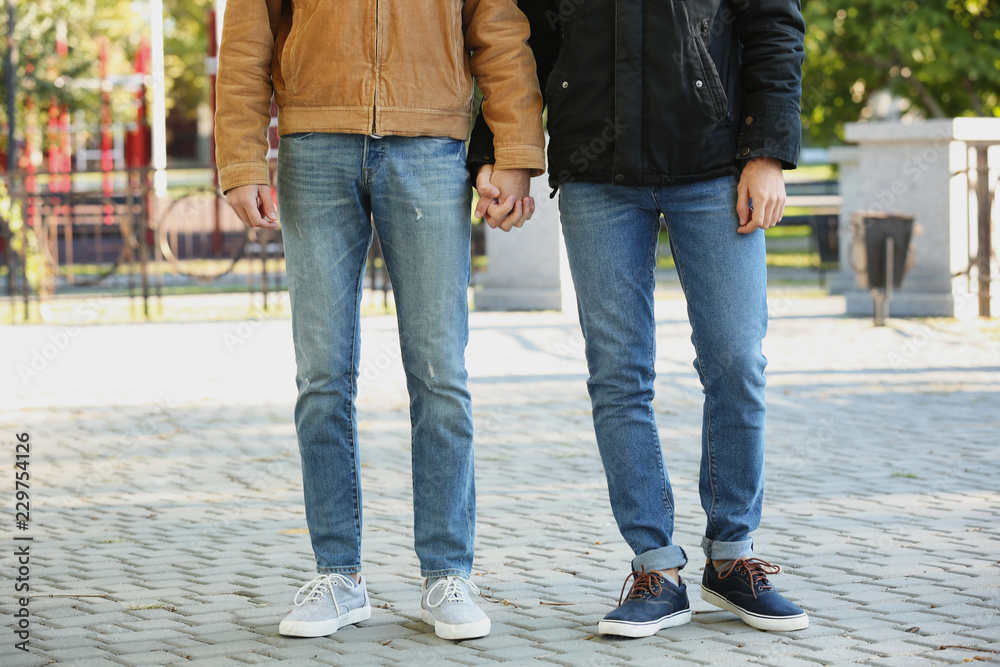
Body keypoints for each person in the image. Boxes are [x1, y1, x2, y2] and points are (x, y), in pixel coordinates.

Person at [470, 0, 809, 636]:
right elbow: (509, 43)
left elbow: (774, 28)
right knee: (619, 374)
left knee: (737, 359)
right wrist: (498, 151)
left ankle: (732, 558)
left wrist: (767, 152)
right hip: (596, 174)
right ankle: (656, 568)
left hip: (714, 166)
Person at [215, 0, 544, 640]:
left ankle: (448, 573)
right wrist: (242, 161)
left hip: (431, 146)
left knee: (440, 372)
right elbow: (248, 35)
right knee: (322, 377)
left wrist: (516, 150)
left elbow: (500, 31)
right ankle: (337, 574)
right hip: (314, 147)